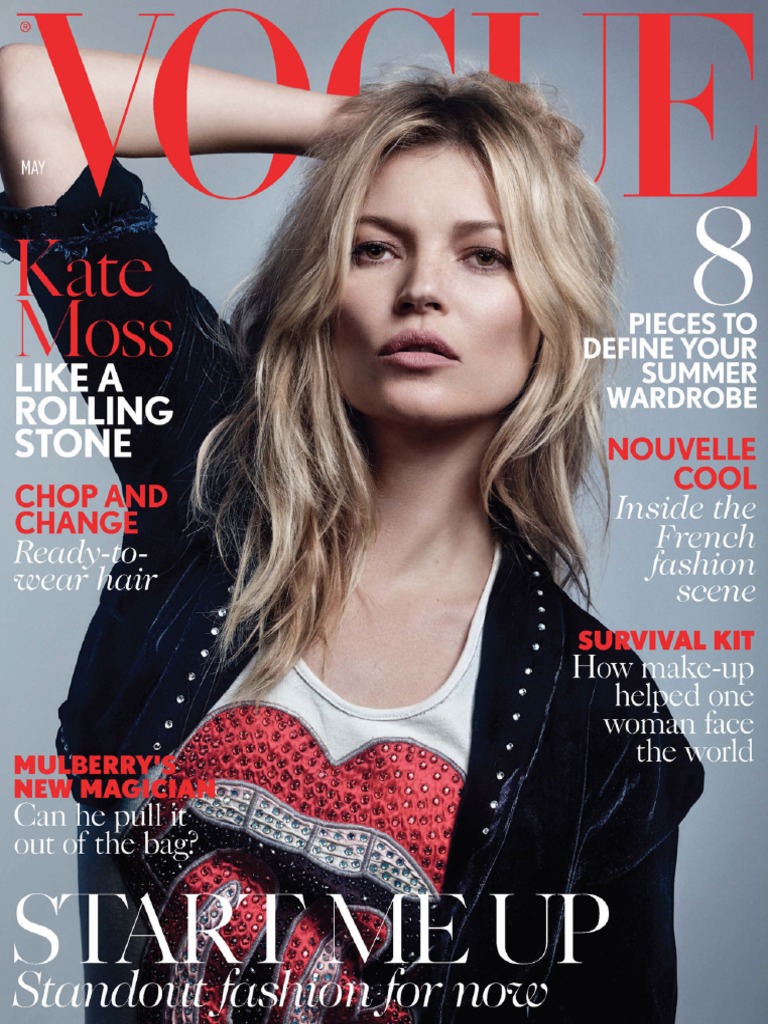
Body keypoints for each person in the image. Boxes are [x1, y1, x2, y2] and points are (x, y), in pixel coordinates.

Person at [0, 44, 703, 1023]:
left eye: (483, 252)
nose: (421, 287)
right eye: (375, 246)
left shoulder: (594, 714)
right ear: (324, 299)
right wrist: (359, 127)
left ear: (548, 314)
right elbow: (34, 92)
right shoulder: (209, 483)